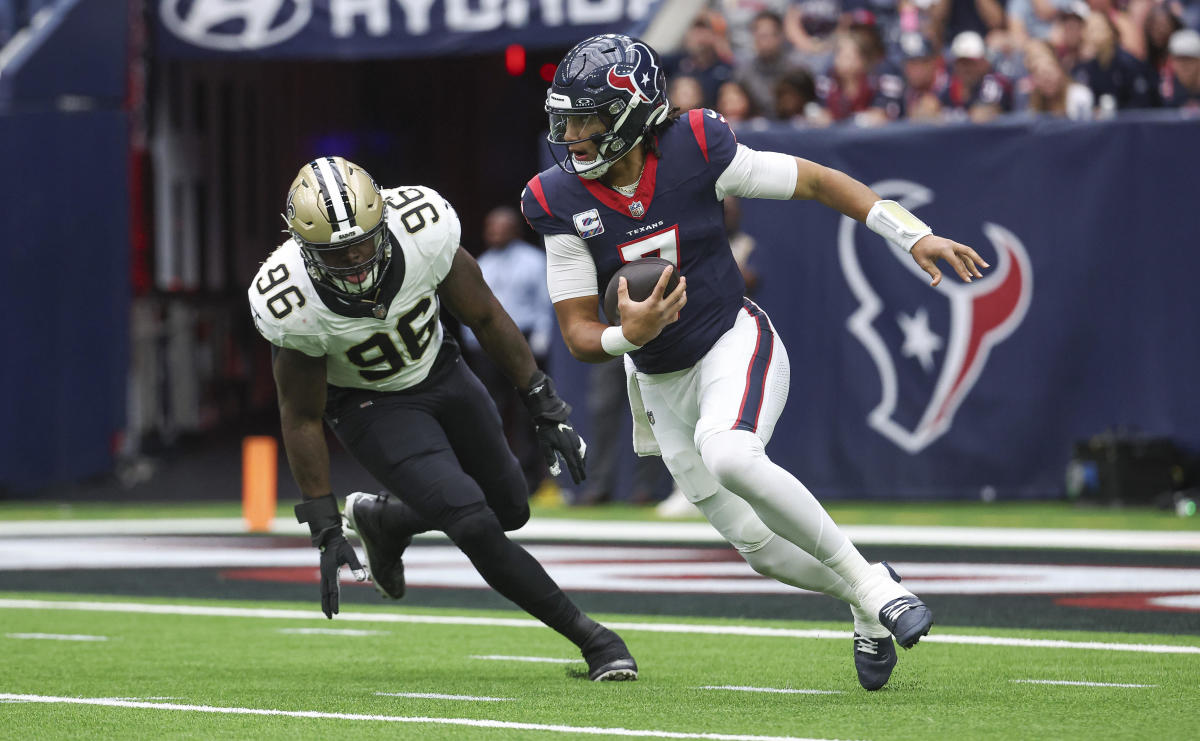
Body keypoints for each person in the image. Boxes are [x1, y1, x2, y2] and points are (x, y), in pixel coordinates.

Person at [523, 34, 987, 691]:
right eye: (564, 120)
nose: (570, 136)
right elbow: (576, 332)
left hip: (729, 338)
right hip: (657, 378)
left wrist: (912, 232)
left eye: (586, 120)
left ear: (630, 114)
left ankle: (873, 589)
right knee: (759, 548)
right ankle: (869, 598)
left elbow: (819, 182)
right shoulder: (558, 200)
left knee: (731, 451)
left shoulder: (695, 147)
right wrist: (631, 333)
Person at [248, 156, 637, 681]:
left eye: (364, 241)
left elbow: (485, 314)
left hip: (442, 370)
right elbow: (300, 415)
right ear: (304, 248)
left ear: (384, 220)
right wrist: (322, 521)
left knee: (509, 508)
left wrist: (542, 401)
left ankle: (388, 520)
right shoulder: (288, 297)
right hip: (369, 405)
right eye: (338, 253)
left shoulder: (422, 228)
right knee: (472, 521)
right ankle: (595, 640)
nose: (358, 259)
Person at [460, 206, 555, 495]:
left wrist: (542, 334)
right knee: (491, 410)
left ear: (515, 230)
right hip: (487, 346)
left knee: (530, 411)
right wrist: (472, 340)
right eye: (490, 228)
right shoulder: (481, 262)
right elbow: (467, 303)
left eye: (500, 227)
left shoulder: (534, 261)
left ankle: (532, 480)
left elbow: (544, 302)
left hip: (524, 340)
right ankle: (497, 477)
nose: (494, 233)